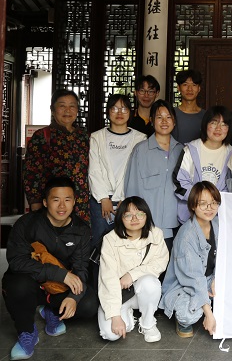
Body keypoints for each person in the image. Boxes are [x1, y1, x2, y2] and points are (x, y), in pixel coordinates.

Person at [3, 177, 98, 360]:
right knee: (18, 286)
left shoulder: (81, 230)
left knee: (88, 304)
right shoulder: (27, 224)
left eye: (67, 199)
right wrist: (60, 274)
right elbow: (17, 261)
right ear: (45, 202)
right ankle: (27, 332)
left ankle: (51, 311)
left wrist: (73, 298)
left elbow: (81, 269)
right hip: (31, 283)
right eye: (56, 200)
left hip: (57, 289)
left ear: (74, 201)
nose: (62, 206)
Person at [97, 197, 169, 343]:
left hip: (142, 292)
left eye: (140, 214)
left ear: (146, 215)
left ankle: (148, 323)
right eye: (128, 215)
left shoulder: (156, 234)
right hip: (119, 294)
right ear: (120, 217)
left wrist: (132, 274)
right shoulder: (110, 239)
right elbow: (108, 278)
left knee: (150, 283)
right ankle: (126, 314)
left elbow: (160, 262)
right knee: (111, 334)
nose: (135, 219)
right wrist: (115, 316)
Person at [160, 181, 220, 338]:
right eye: (203, 204)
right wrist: (209, 314)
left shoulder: (218, 224)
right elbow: (194, 278)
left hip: (210, 279)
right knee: (189, 315)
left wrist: (216, 279)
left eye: (214, 203)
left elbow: (227, 258)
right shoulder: (186, 236)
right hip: (185, 284)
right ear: (193, 206)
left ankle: (210, 301)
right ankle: (183, 319)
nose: (210, 208)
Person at [88, 94, 147, 250]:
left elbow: (138, 172)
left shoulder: (140, 138)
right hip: (101, 200)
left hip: (127, 199)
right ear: (108, 111)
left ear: (131, 112)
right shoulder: (97, 137)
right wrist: (103, 198)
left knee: (127, 243)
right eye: (114, 108)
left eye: (124, 109)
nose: (119, 113)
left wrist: (125, 197)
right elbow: (94, 169)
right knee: (100, 244)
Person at [23, 89, 90, 222]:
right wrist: (35, 202)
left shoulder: (84, 136)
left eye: (72, 106)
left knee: (79, 233)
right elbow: (31, 172)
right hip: (53, 203)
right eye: (62, 106)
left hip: (80, 203)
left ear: (77, 110)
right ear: (52, 110)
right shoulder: (42, 136)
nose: (67, 110)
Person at [124, 100, 183, 249]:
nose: (164, 121)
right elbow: (132, 188)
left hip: (177, 224)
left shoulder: (182, 151)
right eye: (159, 117)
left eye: (168, 117)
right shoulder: (140, 150)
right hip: (147, 224)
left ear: (174, 121)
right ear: (151, 120)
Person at [174, 106, 232, 221]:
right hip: (190, 216)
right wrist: (201, 200)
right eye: (214, 123)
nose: (218, 128)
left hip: (219, 217)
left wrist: (213, 204)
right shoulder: (191, 150)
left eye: (224, 124)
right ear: (205, 125)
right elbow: (179, 182)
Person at [172, 69, 205, 144]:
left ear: (199, 88)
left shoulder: (206, 116)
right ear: (178, 88)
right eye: (185, 85)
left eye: (194, 85)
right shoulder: (170, 114)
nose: (190, 89)